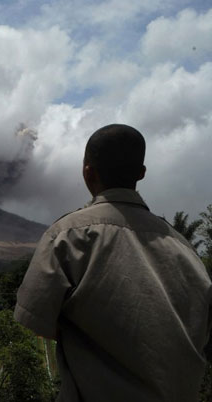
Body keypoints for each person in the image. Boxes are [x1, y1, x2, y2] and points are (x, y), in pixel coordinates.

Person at [14, 124, 212, 402]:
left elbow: (34, 321)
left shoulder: (68, 236)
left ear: (87, 172)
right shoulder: (185, 248)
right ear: (141, 173)